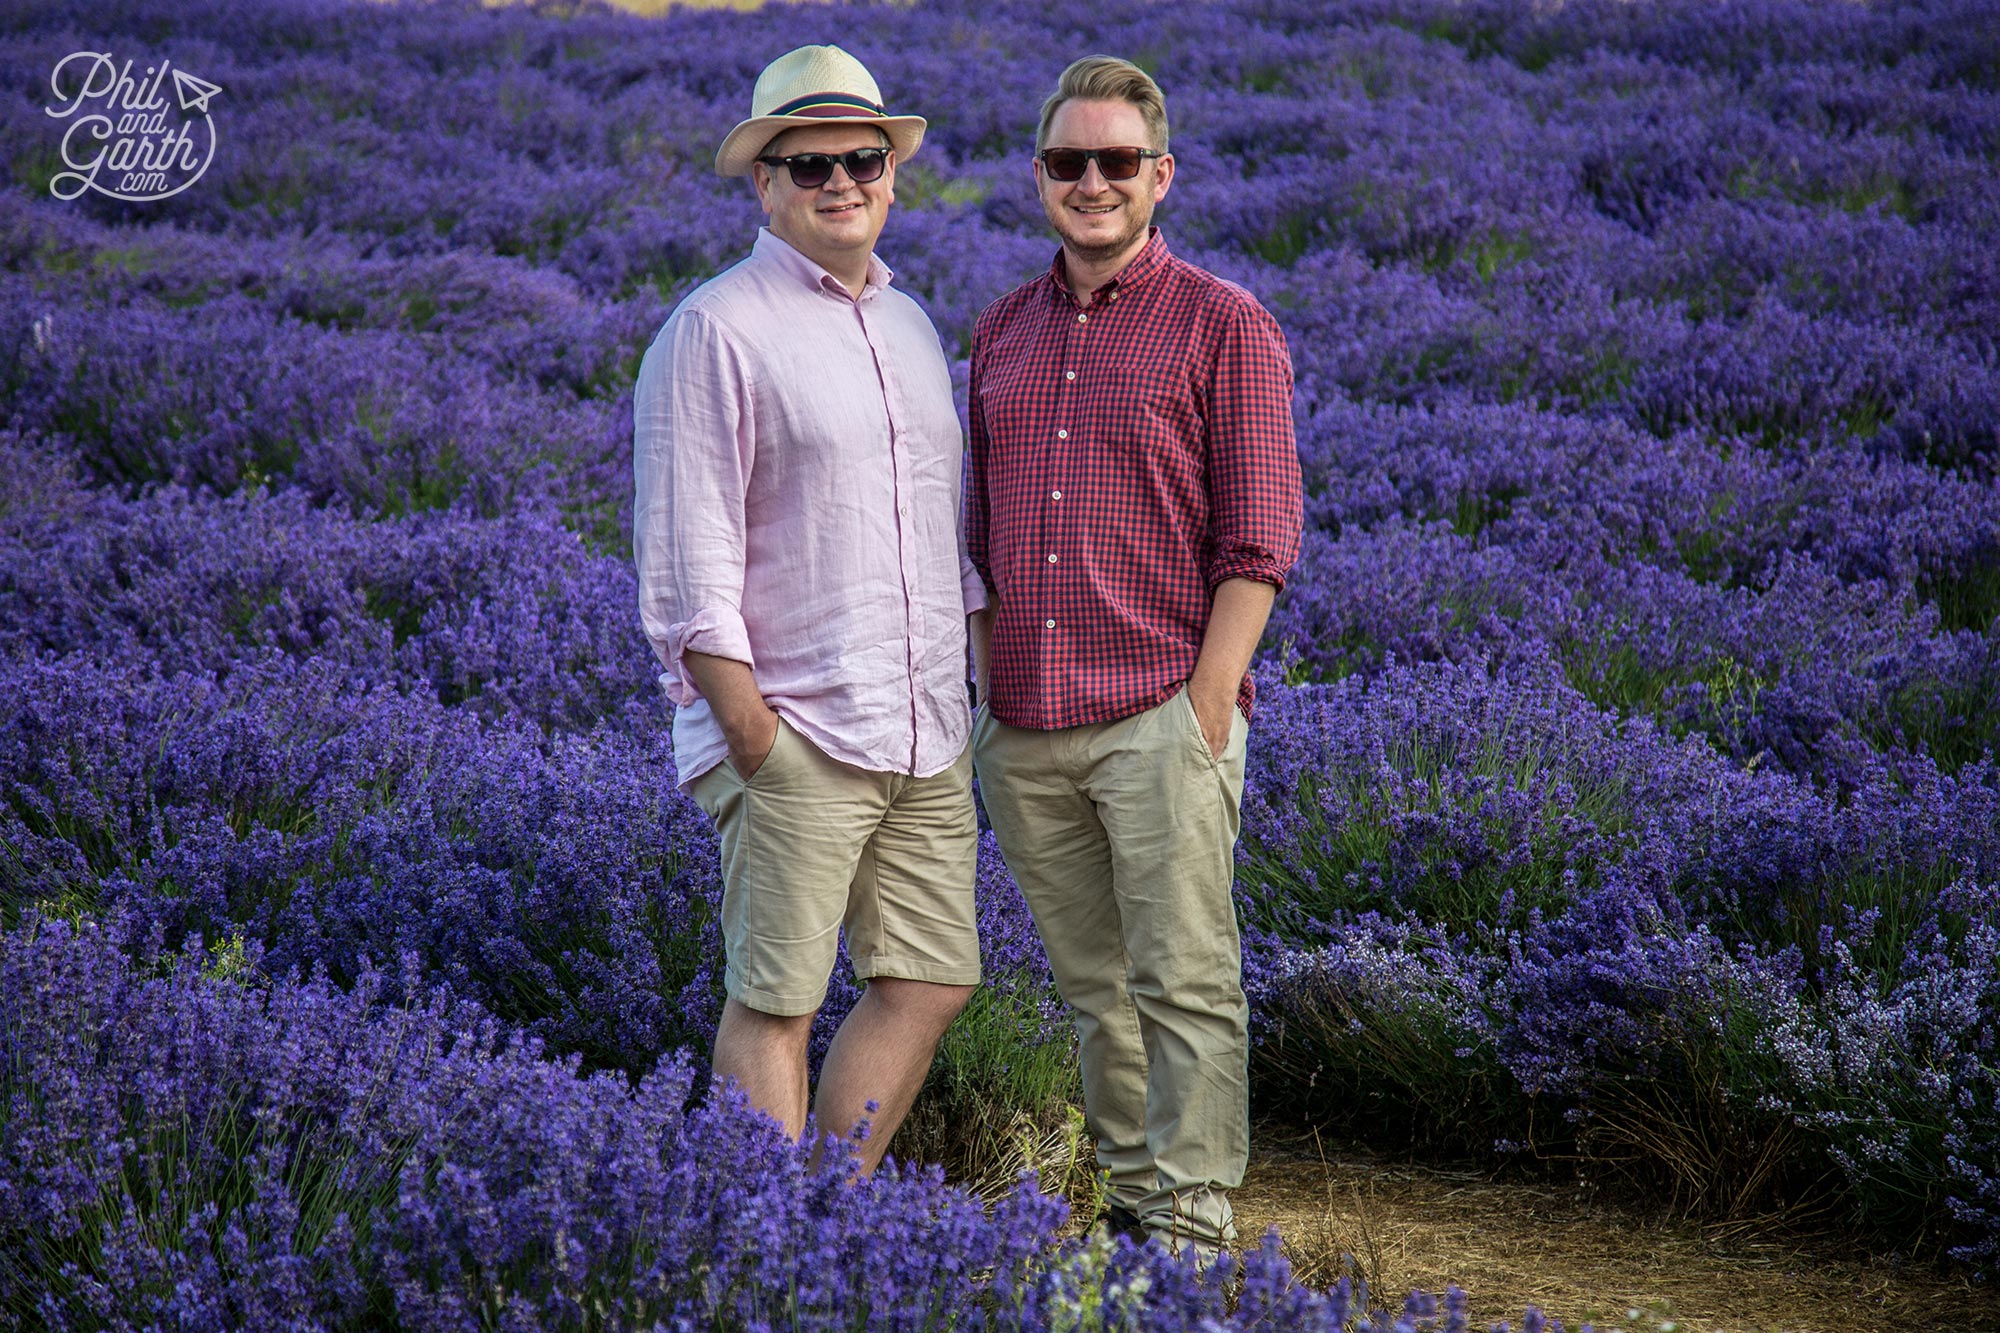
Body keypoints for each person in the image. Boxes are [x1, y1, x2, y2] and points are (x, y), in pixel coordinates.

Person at [965, 55, 1303, 1259]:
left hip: (1161, 710)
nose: (1092, 181)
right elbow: (971, 534)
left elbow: (1258, 539)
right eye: (1068, 162)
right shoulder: (999, 331)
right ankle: (1129, 1210)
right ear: (1040, 177)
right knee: (1093, 990)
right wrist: (984, 692)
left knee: (1184, 981)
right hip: (1025, 724)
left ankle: (1196, 1234)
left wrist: (1207, 701)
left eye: (1117, 162)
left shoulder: (1223, 323)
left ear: (1161, 176)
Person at [633, 44, 986, 1175]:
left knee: (930, 976)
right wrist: (753, 736)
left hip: (924, 727)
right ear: (765, 183)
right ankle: (760, 1247)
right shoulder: (715, 328)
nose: (841, 181)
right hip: (799, 726)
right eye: (811, 164)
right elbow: (687, 563)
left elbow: (944, 527)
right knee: (775, 997)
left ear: (892, 173)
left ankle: (831, 1220)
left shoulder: (910, 324)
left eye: (863, 159)